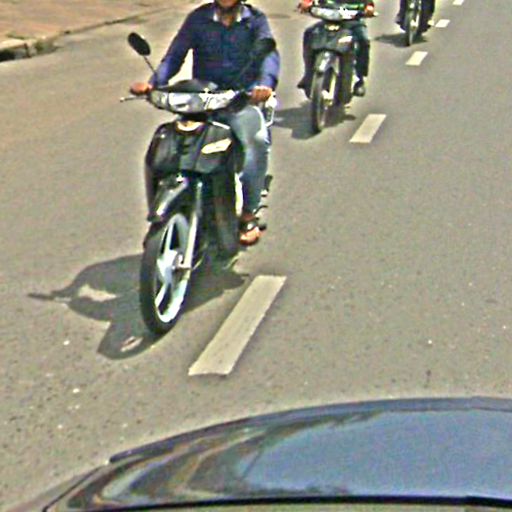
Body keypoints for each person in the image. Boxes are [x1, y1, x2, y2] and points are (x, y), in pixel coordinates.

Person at [130, 0, 280, 246]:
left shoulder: (255, 21)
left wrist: (265, 85)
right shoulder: (198, 19)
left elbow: (270, 57)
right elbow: (175, 55)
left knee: (256, 141)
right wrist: (153, 83)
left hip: (239, 99)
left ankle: (249, 214)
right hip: (202, 100)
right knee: (171, 144)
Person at [297, 0, 375, 98]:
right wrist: (307, 2)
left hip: (352, 21)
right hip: (329, 18)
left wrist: (368, 7)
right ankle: (309, 73)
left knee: (363, 40)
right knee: (309, 34)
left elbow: (368, 4)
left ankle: (359, 79)